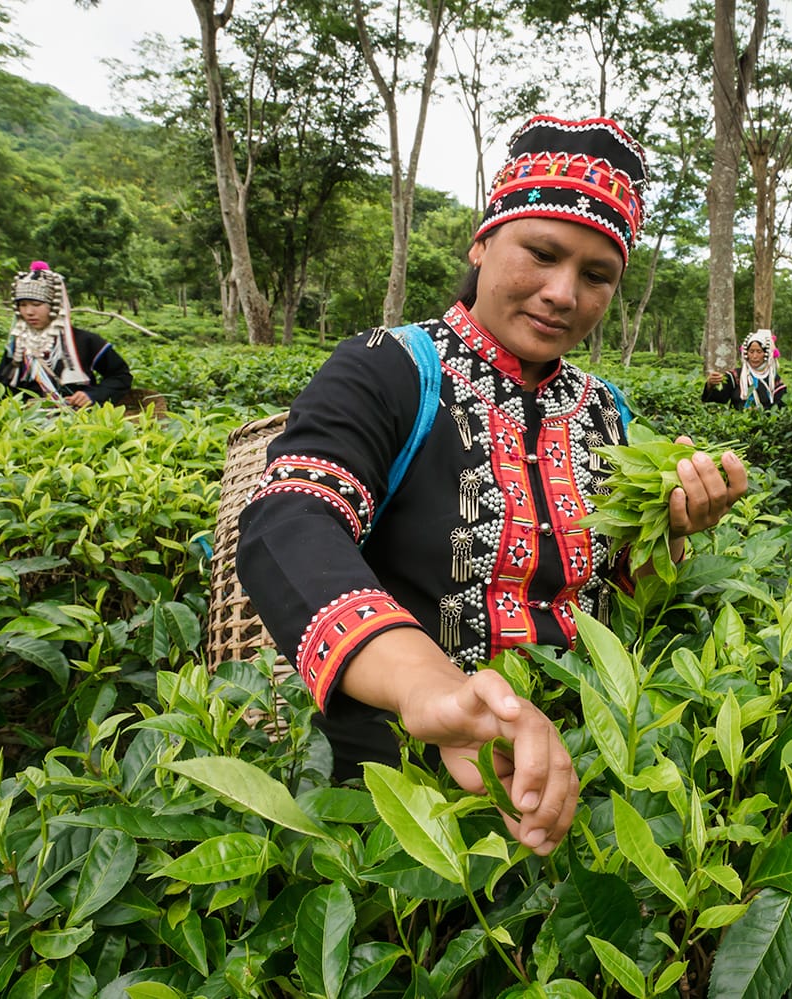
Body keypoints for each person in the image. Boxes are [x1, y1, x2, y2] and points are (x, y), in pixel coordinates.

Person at [236, 115, 747, 855]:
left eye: (597, 275)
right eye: (541, 254)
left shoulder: (605, 409)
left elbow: (609, 593)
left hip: (586, 770)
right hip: (408, 786)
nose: (564, 293)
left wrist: (668, 530)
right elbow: (290, 519)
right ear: (481, 244)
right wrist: (430, 688)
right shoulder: (388, 367)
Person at [0, 262, 132, 409]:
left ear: (55, 306)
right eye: (23, 305)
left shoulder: (85, 341)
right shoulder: (18, 345)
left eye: (36, 304)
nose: (29, 312)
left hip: (78, 420)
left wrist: (92, 395)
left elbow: (120, 377)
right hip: (27, 421)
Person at [702, 328, 787, 409]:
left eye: (759, 351)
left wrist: (761, 411)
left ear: (767, 354)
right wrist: (710, 385)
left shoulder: (774, 380)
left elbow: (780, 405)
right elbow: (719, 399)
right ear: (746, 353)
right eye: (751, 351)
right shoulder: (735, 376)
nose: (754, 356)